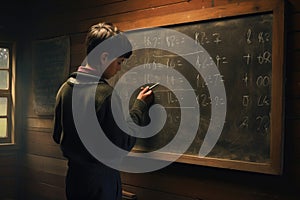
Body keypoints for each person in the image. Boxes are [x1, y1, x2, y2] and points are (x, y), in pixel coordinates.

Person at [52, 22, 154, 200]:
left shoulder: (65, 89)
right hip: (100, 182)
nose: (119, 68)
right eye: (119, 62)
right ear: (104, 57)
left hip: (74, 180)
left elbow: (57, 135)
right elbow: (123, 142)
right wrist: (140, 105)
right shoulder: (105, 95)